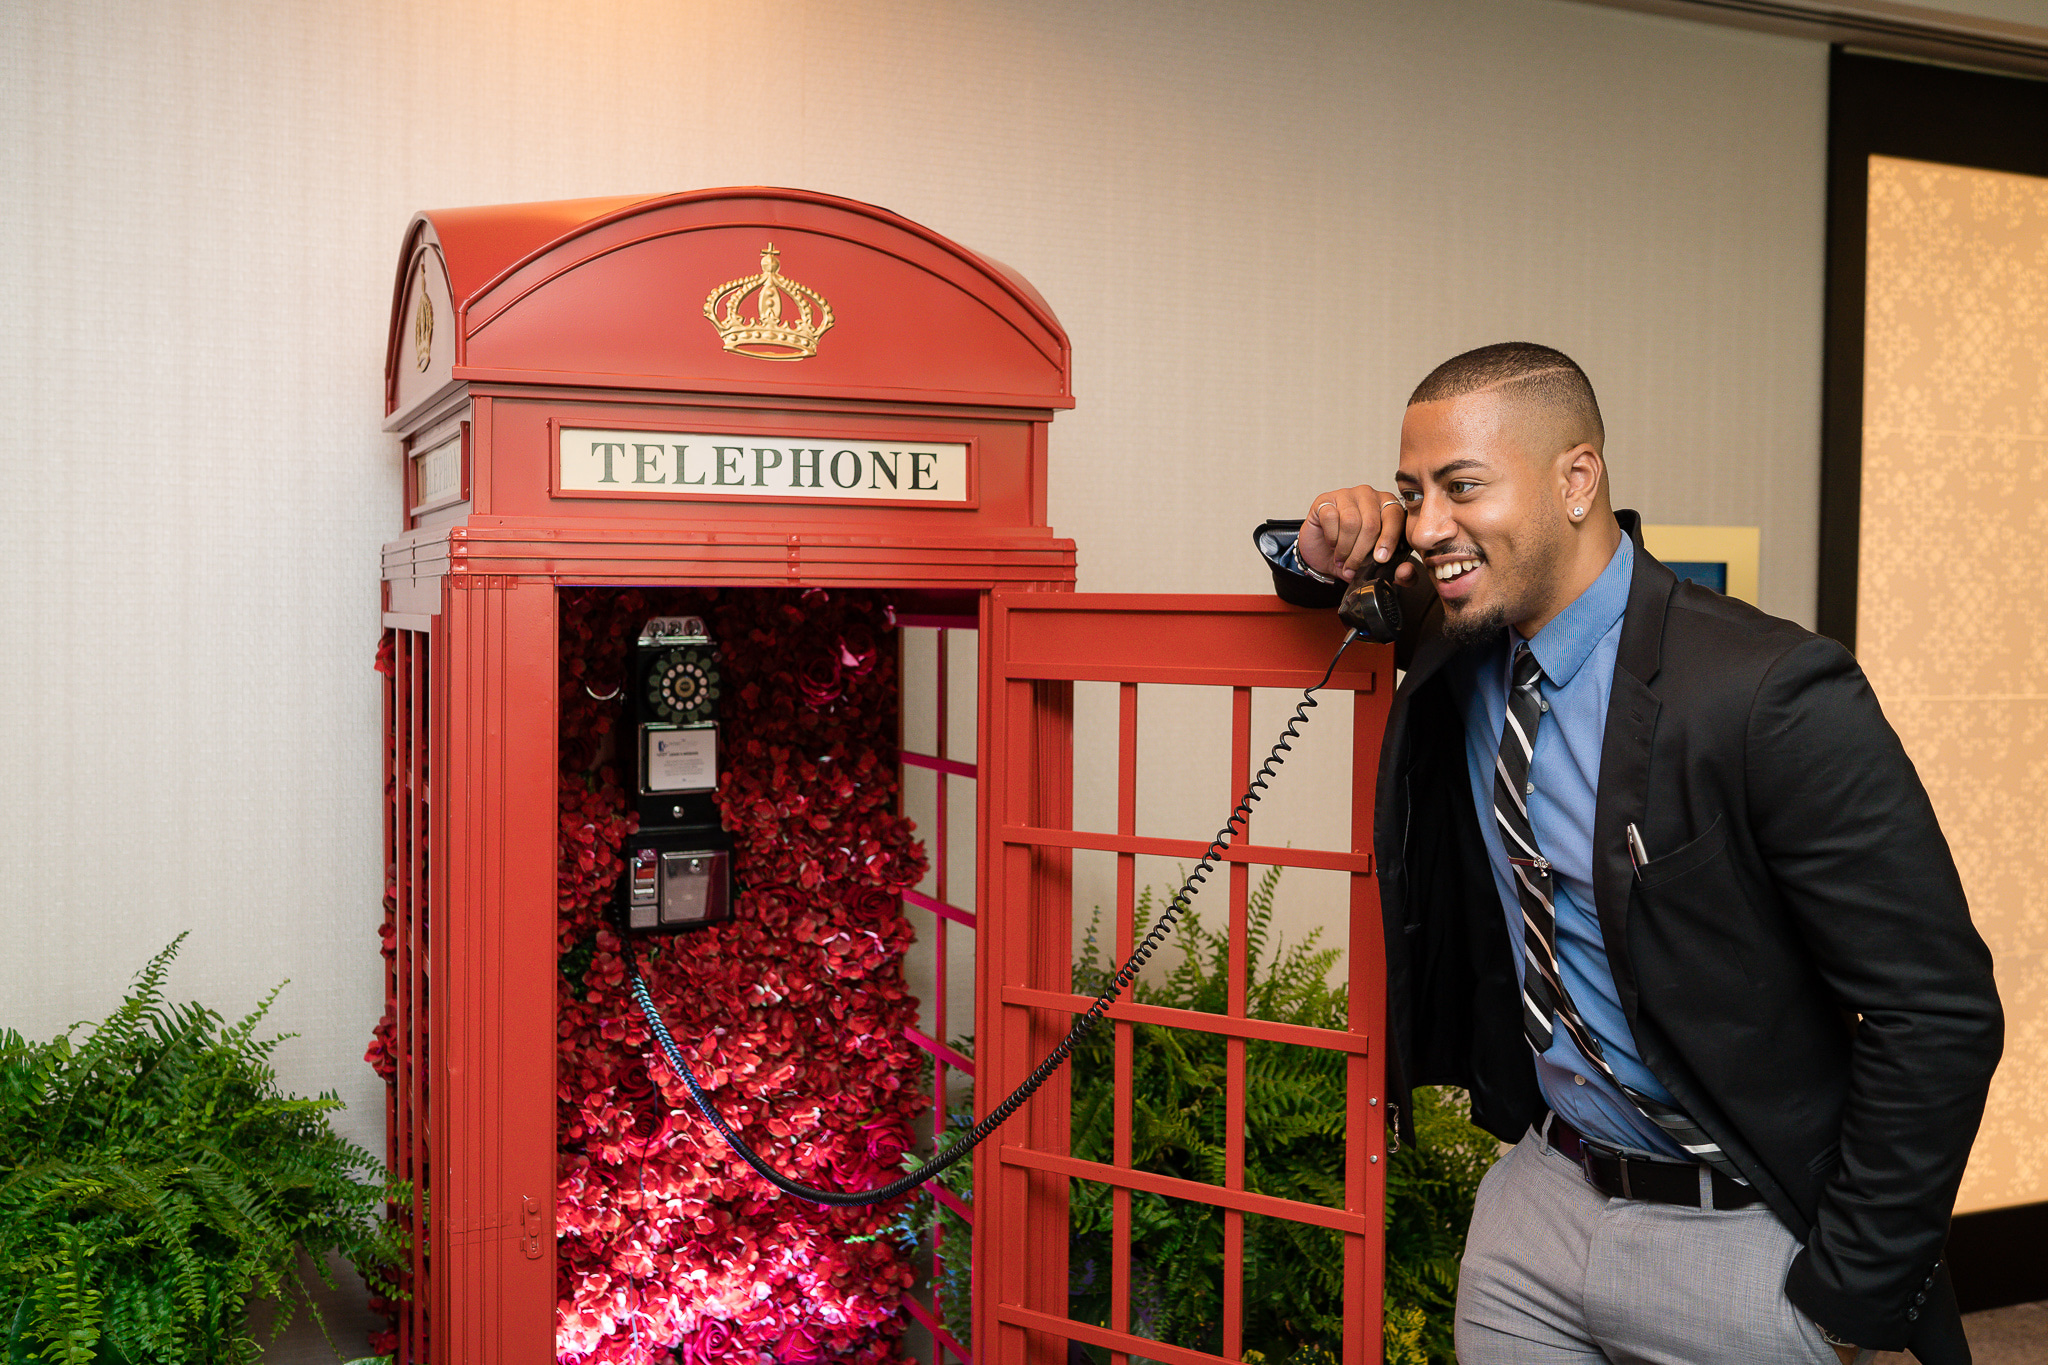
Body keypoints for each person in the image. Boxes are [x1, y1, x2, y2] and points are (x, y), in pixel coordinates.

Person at [1257, 343, 2001, 1365]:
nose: (1426, 528)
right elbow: (1324, 582)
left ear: (1577, 479)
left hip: (1739, 1236)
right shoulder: (1459, 619)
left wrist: (1844, 1297)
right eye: (1412, 494)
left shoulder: (1768, 689)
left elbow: (1937, 1011)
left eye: (1462, 487)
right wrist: (1321, 546)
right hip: (1539, 1205)